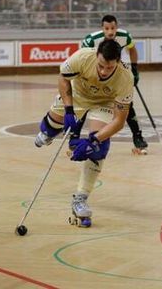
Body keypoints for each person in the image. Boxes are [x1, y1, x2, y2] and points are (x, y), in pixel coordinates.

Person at [34, 39, 134, 227]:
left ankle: (80, 198)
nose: (104, 71)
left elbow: (119, 121)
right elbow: (63, 78)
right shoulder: (82, 57)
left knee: (98, 149)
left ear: (118, 63)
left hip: (104, 103)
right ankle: (49, 133)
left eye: (109, 68)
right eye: (101, 66)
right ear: (96, 56)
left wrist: (93, 140)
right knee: (49, 127)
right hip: (78, 96)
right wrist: (69, 109)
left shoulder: (126, 77)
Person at [80, 14, 148, 153]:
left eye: (113, 28)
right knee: (84, 103)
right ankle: (74, 137)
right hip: (95, 75)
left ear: (117, 27)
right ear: (102, 29)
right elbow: (83, 59)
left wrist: (134, 69)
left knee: (125, 104)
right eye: (107, 28)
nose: (110, 32)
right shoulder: (92, 40)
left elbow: (132, 50)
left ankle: (137, 136)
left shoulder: (125, 36)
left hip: (115, 75)